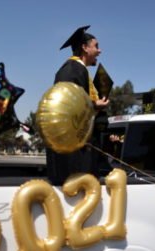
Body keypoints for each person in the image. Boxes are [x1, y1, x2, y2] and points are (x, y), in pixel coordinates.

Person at [47, 25, 109, 185]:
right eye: (96, 46)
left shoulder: (77, 70)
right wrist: (95, 105)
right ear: (84, 48)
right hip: (73, 160)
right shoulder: (71, 71)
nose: (99, 50)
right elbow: (67, 107)